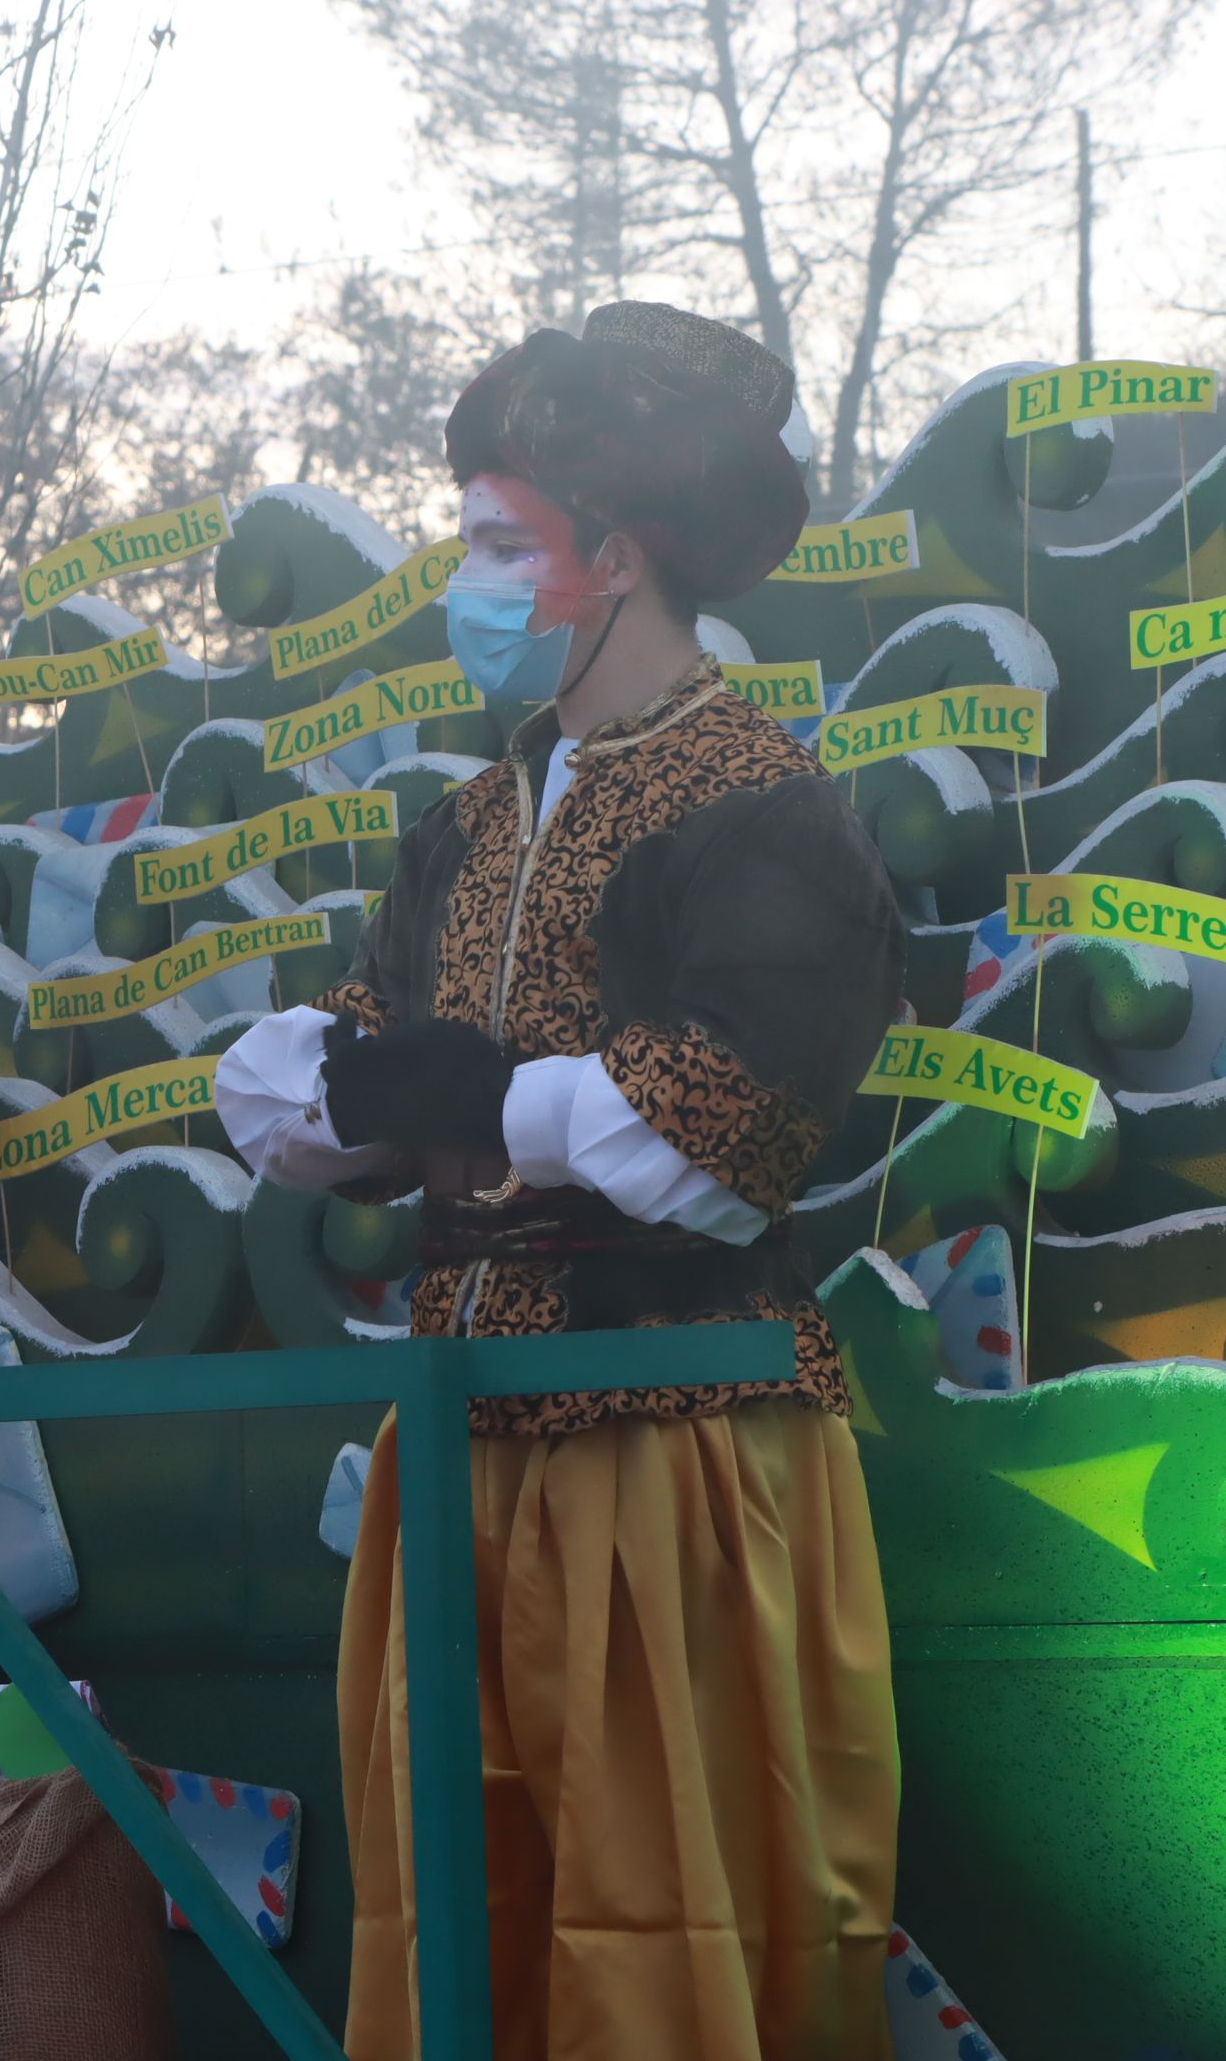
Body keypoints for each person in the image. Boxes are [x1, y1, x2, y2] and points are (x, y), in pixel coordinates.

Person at [216, 303, 906, 2061]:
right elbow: (318, 1081)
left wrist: (484, 1105)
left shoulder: (763, 803)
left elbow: (727, 1119)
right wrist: (398, 1091)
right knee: (462, 1905)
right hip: (462, 1443)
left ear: (614, 556)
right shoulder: (471, 821)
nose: (473, 579)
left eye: (500, 544)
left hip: (668, 1442)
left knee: (659, 1915)